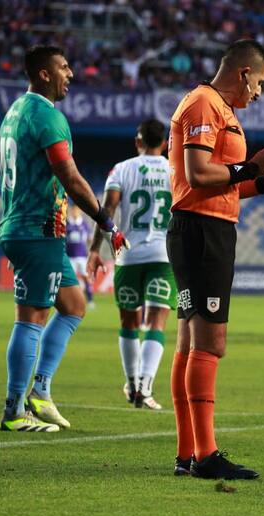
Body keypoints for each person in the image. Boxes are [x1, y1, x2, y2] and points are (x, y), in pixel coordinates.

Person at [166, 39, 264, 480]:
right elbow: (198, 174)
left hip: (202, 228)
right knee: (210, 344)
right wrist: (250, 168)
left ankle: (188, 453)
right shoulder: (206, 104)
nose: (259, 93)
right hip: (202, 232)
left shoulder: (216, 109)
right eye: (259, 82)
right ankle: (205, 456)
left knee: (190, 343)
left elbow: (221, 184)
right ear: (244, 73)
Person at [0, 45, 128, 432]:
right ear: (43, 74)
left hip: (27, 227)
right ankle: (14, 412)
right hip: (36, 229)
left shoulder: (15, 112)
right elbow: (71, 178)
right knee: (32, 317)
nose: (71, 73)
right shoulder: (46, 116)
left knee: (73, 305)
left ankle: (39, 392)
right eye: (64, 67)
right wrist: (106, 222)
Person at [86, 119, 175, 410]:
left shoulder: (121, 169)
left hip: (127, 255)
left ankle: (132, 383)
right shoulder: (175, 170)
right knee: (156, 322)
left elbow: (107, 210)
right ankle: (146, 386)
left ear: (137, 142)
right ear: (164, 143)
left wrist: (94, 250)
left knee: (129, 322)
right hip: (164, 255)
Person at [66, 204, 95, 310]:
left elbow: (90, 238)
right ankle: (69, 300)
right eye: (74, 210)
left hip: (82, 256)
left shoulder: (84, 224)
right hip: (70, 257)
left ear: (80, 212)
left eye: (77, 210)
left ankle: (90, 300)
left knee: (86, 278)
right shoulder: (67, 224)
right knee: (70, 280)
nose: (75, 212)